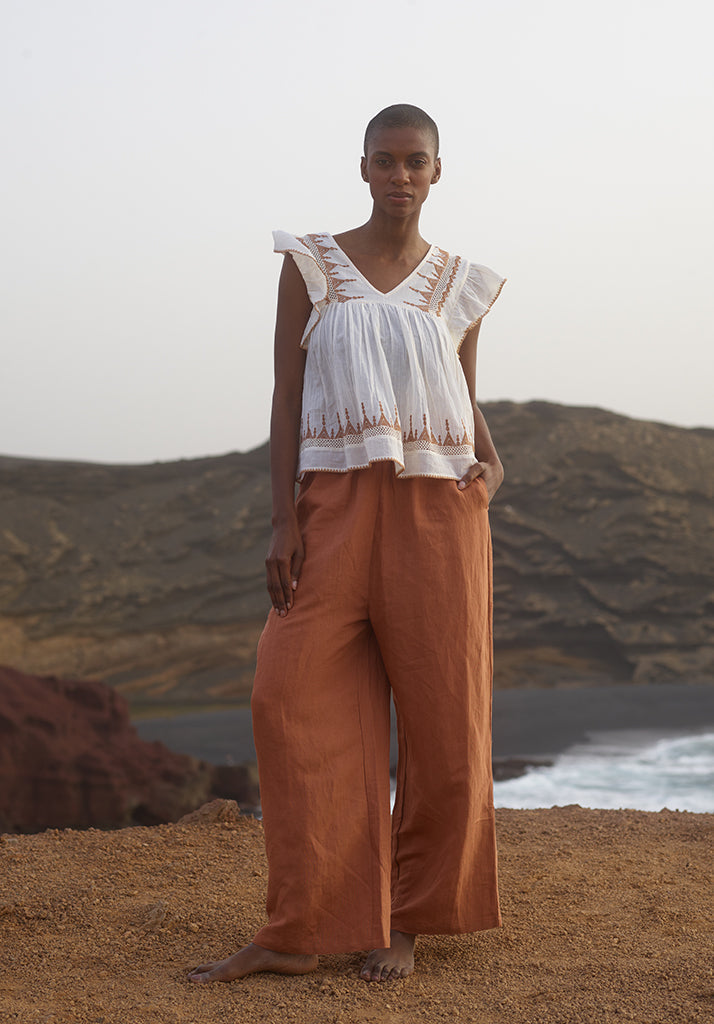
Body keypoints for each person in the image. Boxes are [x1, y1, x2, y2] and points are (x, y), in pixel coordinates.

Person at [189, 103, 506, 986]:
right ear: (362, 168)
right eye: (385, 160)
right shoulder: (312, 264)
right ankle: (298, 929)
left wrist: (494, 464)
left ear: (438, 172)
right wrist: (284, 518)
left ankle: (408, 921)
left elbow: (461, 394)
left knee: (446, 724)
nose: (400, 175)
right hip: (330, 506)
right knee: (285, 699)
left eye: (416, 161)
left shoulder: (460, 283)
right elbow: (287, 393)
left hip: (439, 513)